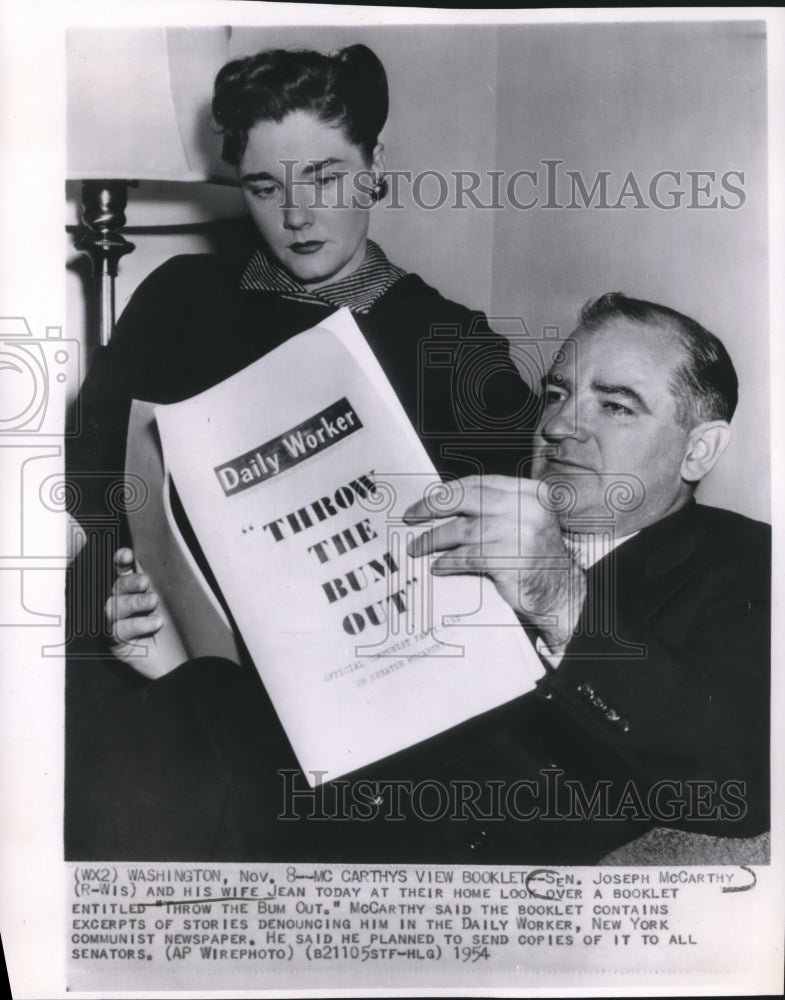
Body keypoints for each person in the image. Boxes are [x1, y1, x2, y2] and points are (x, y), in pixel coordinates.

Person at [64, 44, 539, 861]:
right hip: (167, 663)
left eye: (324, 176)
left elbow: (491, 569)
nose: (296, 215)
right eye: (263, 186)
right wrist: (120, 594)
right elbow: (97, 488)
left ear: (376, 163)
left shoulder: (452, 345)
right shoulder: (178, 301)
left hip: (354, 700)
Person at [402, 292, 770, 863]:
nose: (557, 425)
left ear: (699, 450)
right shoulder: (471, 524)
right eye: (557, 393)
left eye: (616, 406)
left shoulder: (752, 565)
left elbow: (738, 779)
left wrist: (563, 598)